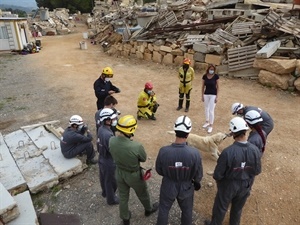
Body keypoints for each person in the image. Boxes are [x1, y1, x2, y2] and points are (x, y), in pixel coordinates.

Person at [204, 117, 262, 225]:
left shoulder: (227, 152)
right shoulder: (255, 150)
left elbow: (217, 175)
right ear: (245, 131)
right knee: (237, 209)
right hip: (246, 185)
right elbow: (257, 171)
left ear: (232, 132)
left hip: (228, 185)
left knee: (221, 208)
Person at [109, 115, 159, 225]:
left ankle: (125, 218)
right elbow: (143, 158)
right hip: (134, 175)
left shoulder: (111, 140)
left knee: (123, 196)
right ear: (131, 130)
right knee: (142, 193)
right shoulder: (136, 146)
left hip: (119, 172)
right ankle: (148, 209)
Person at [156, 115, 203, 225]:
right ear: (188, 133)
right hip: (186, 186)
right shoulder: (195, 153)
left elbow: (159, 170)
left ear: (175, 130)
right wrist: (196, 182)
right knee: (187, 211)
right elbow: (198, 174)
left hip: (168, 185)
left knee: (163, 210)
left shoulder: (163, 151)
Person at [97, 108, 119, 205]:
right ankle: (111, 199)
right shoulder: (108, 135)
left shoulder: (101, 129)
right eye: (113, 119)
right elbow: (113, 150)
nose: (115, 120)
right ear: (107, 120)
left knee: (103, 178)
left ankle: (105, 192)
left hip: (102, 157)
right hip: (108, 160)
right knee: (111, 181)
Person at [201, 64, 219, 134]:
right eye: (210, 69)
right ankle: (207, 121)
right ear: (208, 69)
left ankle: (211, 125)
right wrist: (202, 95)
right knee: (206, 108)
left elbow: (218, 87)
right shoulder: (205, 76)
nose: (211, 71)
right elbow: (202, 86)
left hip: (213, 95)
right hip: (206, 94)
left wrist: (217, 96)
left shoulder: (216, 76)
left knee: (211, 110)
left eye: (213, 69)